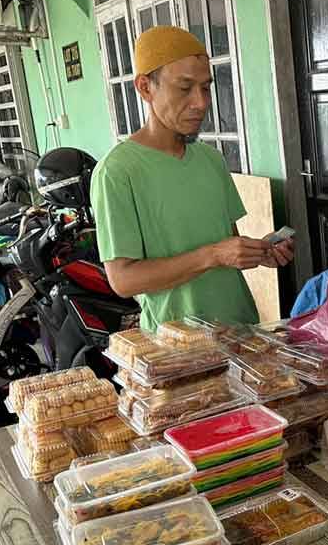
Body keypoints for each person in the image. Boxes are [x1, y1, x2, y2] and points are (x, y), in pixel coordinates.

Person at [92, 26, 293, 331]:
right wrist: (213, 255)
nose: (201, 103)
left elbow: (225, 244)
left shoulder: (211, 160)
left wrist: (259, 252)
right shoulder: (117, 172)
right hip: (177, 348)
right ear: (145, 88)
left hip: (240, 329)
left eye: (205, 87)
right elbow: (123, 280)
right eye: (184, 88)